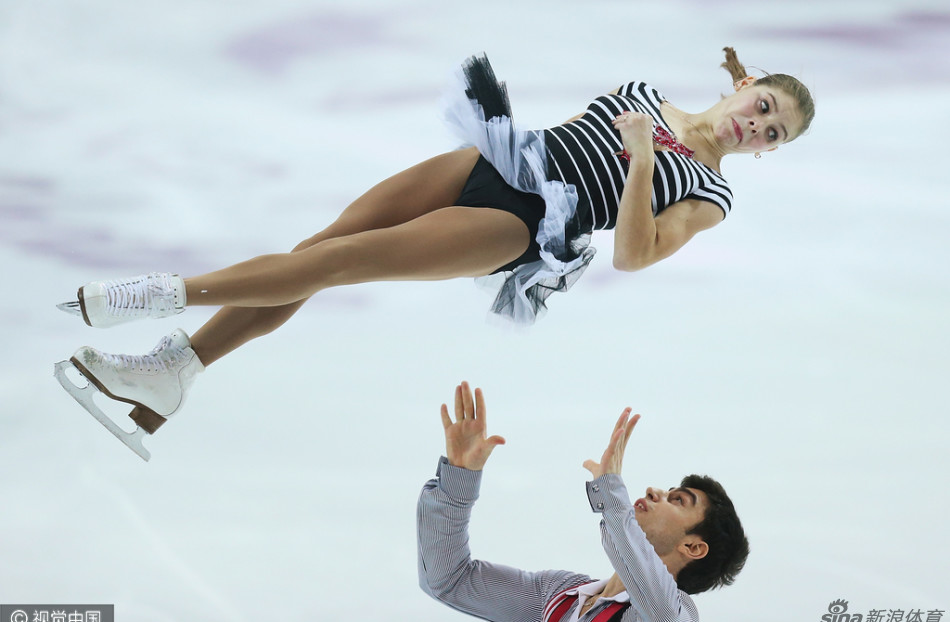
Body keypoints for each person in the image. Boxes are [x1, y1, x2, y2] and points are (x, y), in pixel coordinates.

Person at [56, 48, 814, 438]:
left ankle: (155, 295)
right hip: (498, 156)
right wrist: (649, 132)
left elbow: (635, 253)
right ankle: (173, 372)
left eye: (772, 132)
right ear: (748, 86)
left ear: (768, 151)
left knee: (337, 263)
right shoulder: (649, 92)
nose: (758, 124)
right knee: (317, 251)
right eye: (765, 105)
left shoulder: (711, 194)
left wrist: (647, 158)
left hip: (524, 224)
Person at [417, 382, 749, 622]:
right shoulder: (559, 595)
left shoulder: (674, 619)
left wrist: (611, 491)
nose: (655, 491)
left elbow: (653, 597)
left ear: (692, 547)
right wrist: (458, 482)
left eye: (678, 500)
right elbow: (449, 580)